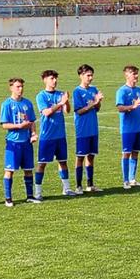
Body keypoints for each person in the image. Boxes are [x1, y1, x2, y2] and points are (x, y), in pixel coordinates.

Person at [34, 70, 75, 200]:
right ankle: (38, 192)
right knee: (42, 163)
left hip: (60, 135)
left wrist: (66, 102)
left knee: (63, 162)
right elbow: (46, 112)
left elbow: (67, 111)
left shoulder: (60, 94)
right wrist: (61, 103)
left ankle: (66, 189)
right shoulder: (41, 96)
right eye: (52, 78)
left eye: (56, 78)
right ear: (45, 80)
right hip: (47, 136)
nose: (55, 81)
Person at [0, 77, 39, 206]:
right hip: (13, 143)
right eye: (17, 87)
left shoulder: (27, 103)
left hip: (26, 142)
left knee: (28, 169)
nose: (20, 89)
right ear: (11, 88)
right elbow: (4, 125)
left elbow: (32, 122)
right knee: (9, 170)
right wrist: (19, 126)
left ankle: (30, 196)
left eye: (22, 87)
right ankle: (8, 198)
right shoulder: (7, 104)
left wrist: (33, 134)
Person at [116, 65, 140, 189]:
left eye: (137, 73)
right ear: (127, 75)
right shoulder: (122, 91)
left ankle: (132, 179)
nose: (136, 76)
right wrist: (132, 107)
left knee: (135, 153)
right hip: (127, 129)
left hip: (138, 128)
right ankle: (125, 181)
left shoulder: (139, 90)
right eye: (134, 74)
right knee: (126, 153)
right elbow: (120, 108)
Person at [72, 64, 103, 193]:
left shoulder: (93, 89)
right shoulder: (77, 91)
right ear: (81, 76)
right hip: (82, 130)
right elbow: (79, 111)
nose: (90, 78)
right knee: (80, 157)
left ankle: (90, 185)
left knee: (91, 156)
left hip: (93, 129)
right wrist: (94, 102)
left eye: (91, 75)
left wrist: (98, 102)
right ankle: (78, 186)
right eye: (88, 75)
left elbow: (97, 109)